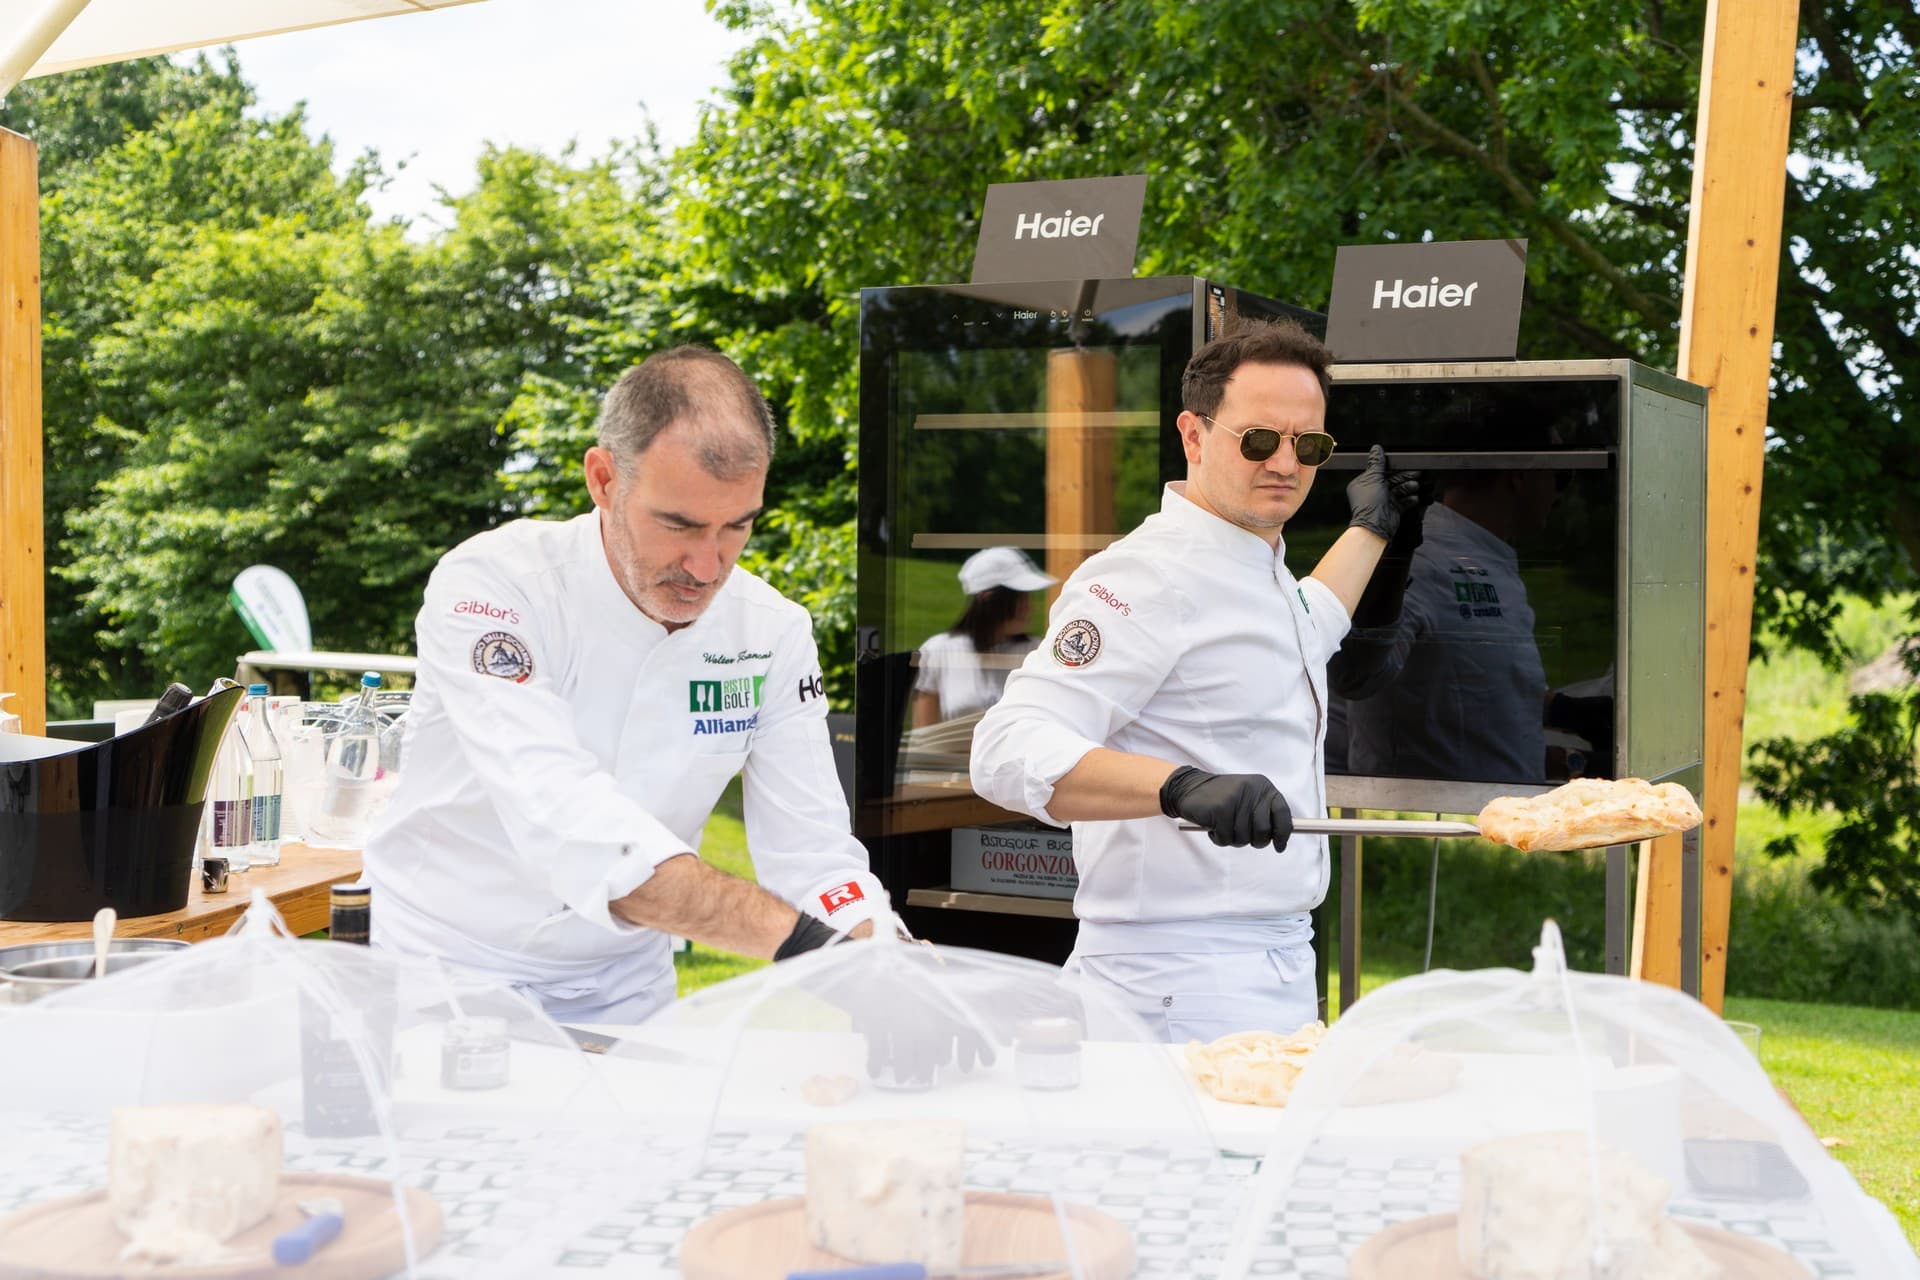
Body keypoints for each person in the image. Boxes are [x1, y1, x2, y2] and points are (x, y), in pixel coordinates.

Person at [363, 346, 889, 1025]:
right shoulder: (495, 586)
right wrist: (806, 946)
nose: (707, 566)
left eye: (738, 526)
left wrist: (889, 961)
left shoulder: (772, 631)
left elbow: (814, 852)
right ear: (604, 479)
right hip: (445, 967)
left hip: (623, 986)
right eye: (679, 525)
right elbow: (561, 812)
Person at [970, 320, 1420, 1043]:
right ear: (1194, 435)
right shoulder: (1145, 575)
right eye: (1259, 440)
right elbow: (1005, 749)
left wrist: (1373, 528)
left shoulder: (1255, 564)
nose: (1285, 463)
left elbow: (1313, 622)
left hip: (1272, 961)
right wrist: (1179, 786)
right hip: (1176, 978)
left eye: (1308, 446)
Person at [1330, 459, 1613, 783]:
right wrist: (1397, 552)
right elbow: (1353, 677)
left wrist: (1564, 718)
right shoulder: (1424, 559)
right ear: (1520, 474)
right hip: (1437, 823)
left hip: (1496, 815)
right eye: (1561, 475)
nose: (1560, 494)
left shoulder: (1483, 553)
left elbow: (1471, 688)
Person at [910, 546, 1057, 727]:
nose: (1029, 607)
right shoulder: (937, 651)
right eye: (1019, 598)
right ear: (987, 599)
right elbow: (925, 736)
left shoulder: (1038, 653)